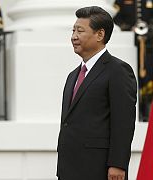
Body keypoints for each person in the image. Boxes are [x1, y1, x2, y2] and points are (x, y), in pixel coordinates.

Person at [57, 6, 137, 180]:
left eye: (80, 31)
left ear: (100, 35)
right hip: (69, 168)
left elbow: (123, 122)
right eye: (73, 31)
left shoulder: (118, 70)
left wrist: (118, 164)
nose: (73, 37)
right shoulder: (73, 75)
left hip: (99, 168)